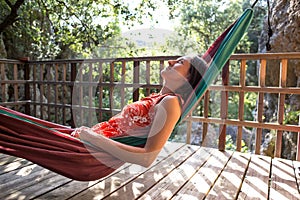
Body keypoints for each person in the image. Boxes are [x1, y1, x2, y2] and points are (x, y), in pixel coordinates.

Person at [71, 55, 208, 167]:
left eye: (180, 62)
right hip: (85, 139)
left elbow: (147, 157)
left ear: (189, 77)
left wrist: (92, 137)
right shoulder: (158, 98)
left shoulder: (170, 103)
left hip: (89, 148)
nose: (170, 61)